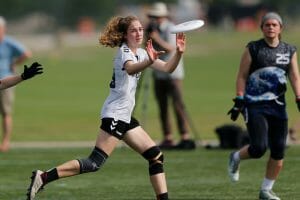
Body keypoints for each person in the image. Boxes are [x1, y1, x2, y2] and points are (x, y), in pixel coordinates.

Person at [26, 15, 186, 200]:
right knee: (94, 163)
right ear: (125, 35)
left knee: (156, 156)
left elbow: (167, 68)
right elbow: (131, 68)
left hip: (125, 117)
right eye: (133, 30)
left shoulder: (142, 53)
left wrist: (179, 53)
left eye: (141, 29)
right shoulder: (124, 52)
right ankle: (43, 177)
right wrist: (149, 61)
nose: (139, 33)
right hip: (115, 115)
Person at [227, 12, 300, 200]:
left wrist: (299, 96)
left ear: (280, 28)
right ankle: (235, 158)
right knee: (259, 147)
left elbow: (294, 76)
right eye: (267, 25)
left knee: (278, 149)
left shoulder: (289, 50)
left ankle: (266, 190)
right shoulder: (253, 48)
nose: (271, 27)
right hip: (254, 104)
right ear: (262, 28)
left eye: (274, 24)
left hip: (278, 106)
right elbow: (242, 75)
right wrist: (239, 98)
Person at [146, 2, 195, 150]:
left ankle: (184, 135)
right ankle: (168, 137)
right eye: (154, 17)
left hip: (173, 73)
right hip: (158, 73)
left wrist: (156, 38)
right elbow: (148, 50)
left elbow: (170, 49)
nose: (155, 19)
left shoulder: (170, 28)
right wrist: (148, 38)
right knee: (162, 106)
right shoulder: (153, 29)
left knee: (178, 105)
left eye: (157, 16)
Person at [0, 16, 32, 152]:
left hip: (6, 78)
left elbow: (1, 84)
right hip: (5, 81)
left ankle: (5, 141)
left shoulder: (9, 43)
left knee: (6, 112)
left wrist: (22, 75)